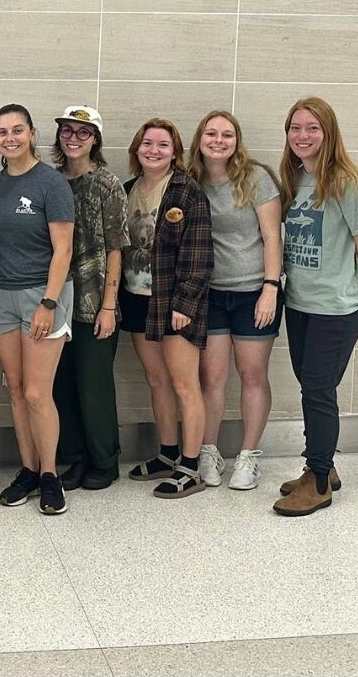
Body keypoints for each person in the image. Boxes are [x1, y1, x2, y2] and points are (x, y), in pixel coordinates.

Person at [273, 97, 358, 516]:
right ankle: (323, 466)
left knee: (317, 389)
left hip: (338, 306)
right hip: (300, 302)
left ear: (328, 131)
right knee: (312, 386)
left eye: (312, 128)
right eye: (295, 127)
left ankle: (318, 482)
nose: (302, 135)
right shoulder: (293, 177)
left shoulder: (346, 181)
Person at [0, 104, 75, 515]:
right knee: (17, 390)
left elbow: (64, 250)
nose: (10, 138)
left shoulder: (51, 183)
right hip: (2, 296)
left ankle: (49, 475)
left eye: (18, 130)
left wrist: (48, 303)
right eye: (2, 132)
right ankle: (26, 469)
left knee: (39, 393)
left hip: (44, 295)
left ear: (32, 134)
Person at [188, 111, 283, 491]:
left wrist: (270, 288)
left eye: (227, 134)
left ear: (236, 141)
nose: (218, 140)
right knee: (211, 378)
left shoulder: (255, 178)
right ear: (200, 139)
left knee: (253, 375)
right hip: (208, 294)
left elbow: (273, 237)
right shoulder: (190, 181)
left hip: (253, 293)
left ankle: (248, 456)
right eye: (211, 133)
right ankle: (209, 450)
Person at [121, 118, 213, 499]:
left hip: (174, 304)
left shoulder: (186, 193)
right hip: (136, 299)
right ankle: (167, 453)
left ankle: (191, 467)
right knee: (156, 380)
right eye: (147, 144)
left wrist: (185, 303)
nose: (153, 150)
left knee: (184, 384)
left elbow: (200, 256)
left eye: (162, 145)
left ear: (175, 152)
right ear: (136, 149)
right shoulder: (127, 190)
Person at [49, 105, 129, 492]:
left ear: (95, 139)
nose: (74, 138)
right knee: (62, 385)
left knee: (93, 386)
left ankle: (104, 460)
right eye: (68, 131)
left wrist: (109, 306)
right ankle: (76, 457)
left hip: (95, 302)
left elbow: (116, 248)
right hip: (55, 301)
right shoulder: (49, 181)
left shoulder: (108, 184)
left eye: (83, 132)